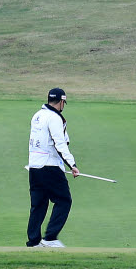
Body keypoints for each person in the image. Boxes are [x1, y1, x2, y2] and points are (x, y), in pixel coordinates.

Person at [26, 88, 79, 248]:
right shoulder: (55, 118)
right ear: (62, 102)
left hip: (34, 166)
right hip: (50, 166)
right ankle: (50, 238)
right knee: (64, 200)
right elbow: (60, 144)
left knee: (39, 204)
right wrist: (73, 165)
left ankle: (34, 241)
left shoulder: (37, 115)